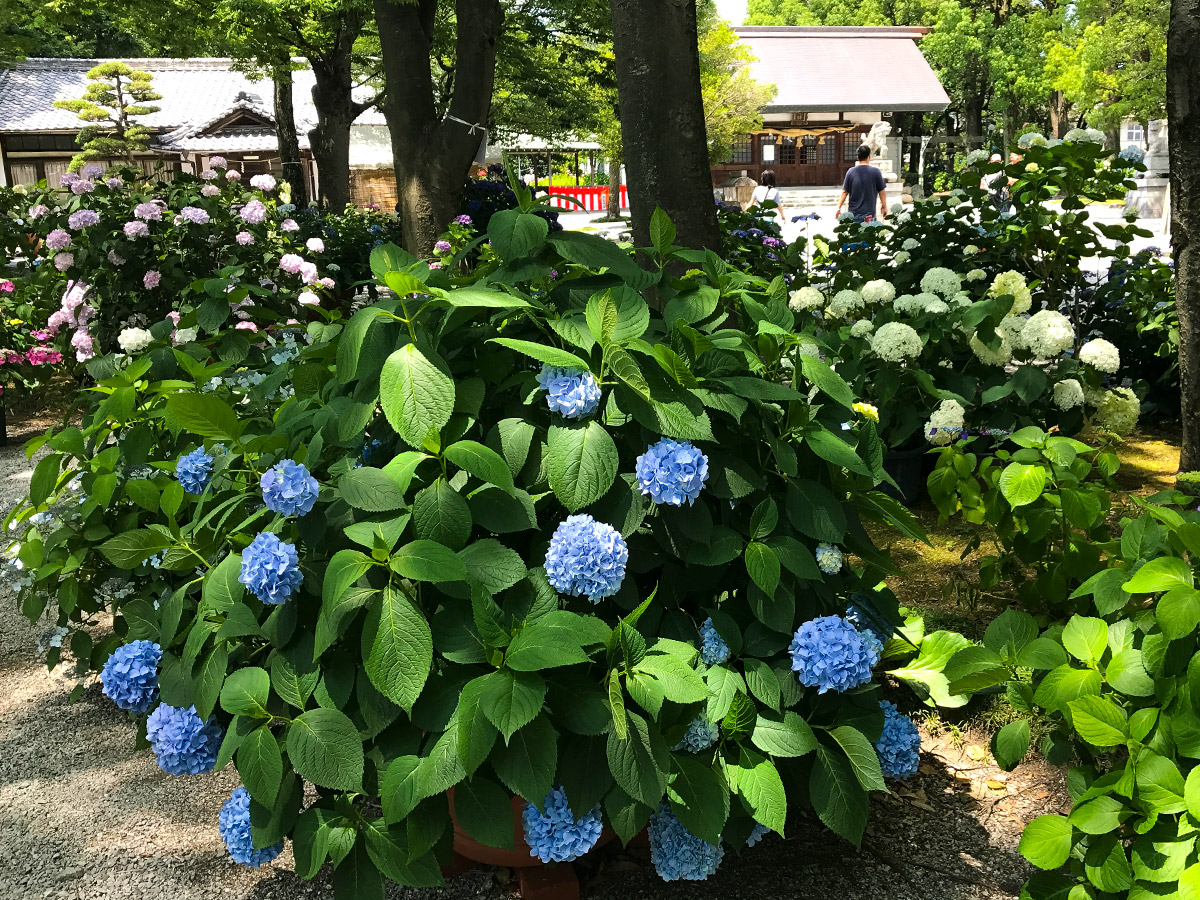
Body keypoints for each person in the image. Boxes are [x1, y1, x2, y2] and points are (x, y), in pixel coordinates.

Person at [835, 145, 887, 222]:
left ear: (857, 158)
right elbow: (882, 191)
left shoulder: (851, 172)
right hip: (870, 214)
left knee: (854, 232)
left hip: (854, 214)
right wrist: (884, 206)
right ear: (869, 157)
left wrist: (838, 207)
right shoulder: (876, 172)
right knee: (869, 233)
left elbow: (844, 192)